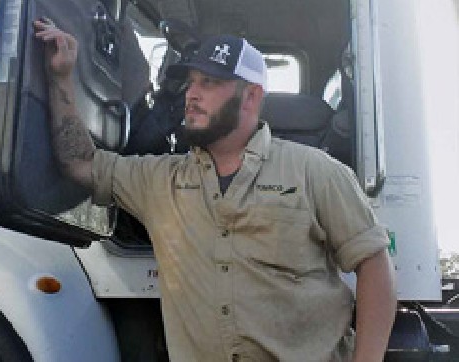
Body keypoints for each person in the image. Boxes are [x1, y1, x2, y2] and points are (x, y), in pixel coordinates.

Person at [34, 18, 396, 362]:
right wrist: (61, 77)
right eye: (190, 82)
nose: (192, 94)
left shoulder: (315, 171)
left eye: (209, 83)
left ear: (251, 97)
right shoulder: (160, 180)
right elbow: (81, 163)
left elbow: (374, 264)